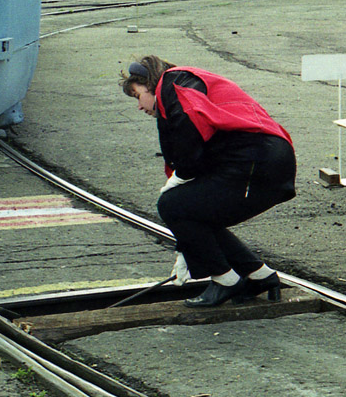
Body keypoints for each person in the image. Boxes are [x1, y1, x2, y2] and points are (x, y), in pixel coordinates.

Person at [121, 56, 296, 307]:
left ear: (149, 84)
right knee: (194, 210)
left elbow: (190, 143)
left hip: (254, 163)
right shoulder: (180, 83)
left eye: (138, 96)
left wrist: (175, 183)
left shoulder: (174, 87)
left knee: (173, 206)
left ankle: (225, 280)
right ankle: (259, 275)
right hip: (265, 160)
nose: (139, 106)